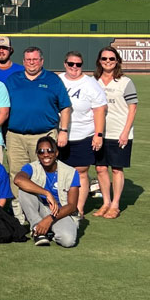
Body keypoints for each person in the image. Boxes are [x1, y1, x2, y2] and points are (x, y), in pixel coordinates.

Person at [4, 47, 72, 221]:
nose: (31, 62)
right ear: (23, 61)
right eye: (28, 59)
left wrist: (63, 131)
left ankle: (44, 213)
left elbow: (65, 107)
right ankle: (20, 216)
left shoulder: (52, 80)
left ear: (41, 61)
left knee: (42, 174)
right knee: (16, 174)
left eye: (35, 59)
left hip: (44, 136)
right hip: (16, 135)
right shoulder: (13, 79)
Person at [57, 51, 107, 218]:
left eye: (78, 64)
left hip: (83, 134)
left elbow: (99, 110)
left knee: (81, 171)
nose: (74, 67)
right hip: (59, 134)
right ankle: (61, 205)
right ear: (65, 64)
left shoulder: (90, 83)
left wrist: (98, 134)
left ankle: (78, 208)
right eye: (71, 64)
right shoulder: (58, 80)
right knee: (58, 171)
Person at [94, 47, 137, 219]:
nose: (108, 61)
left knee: (117, 169)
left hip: (119, 132)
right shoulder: (93, 81)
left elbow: (132, 109)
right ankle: (105, 202)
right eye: (104, 58)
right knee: (100, 168)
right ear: (99, 61)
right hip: (99, 133)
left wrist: (125, 132)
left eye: (111, 58)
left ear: (117, 60)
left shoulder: (125, 82)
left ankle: (115, 205)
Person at [13, 137, 80, 247]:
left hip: (59, 212)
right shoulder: (31, 167)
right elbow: (18, 180)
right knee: (24, 188)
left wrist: (50, 219)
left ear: (56, 153)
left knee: (68, 241)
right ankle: (37, 229)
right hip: (38, 207)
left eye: (50, 151)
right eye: (41, 151)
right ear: (37, 154)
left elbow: (72, 206)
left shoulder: (71, 172)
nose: (45, 155)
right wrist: (46, 193)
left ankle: (47, 229)